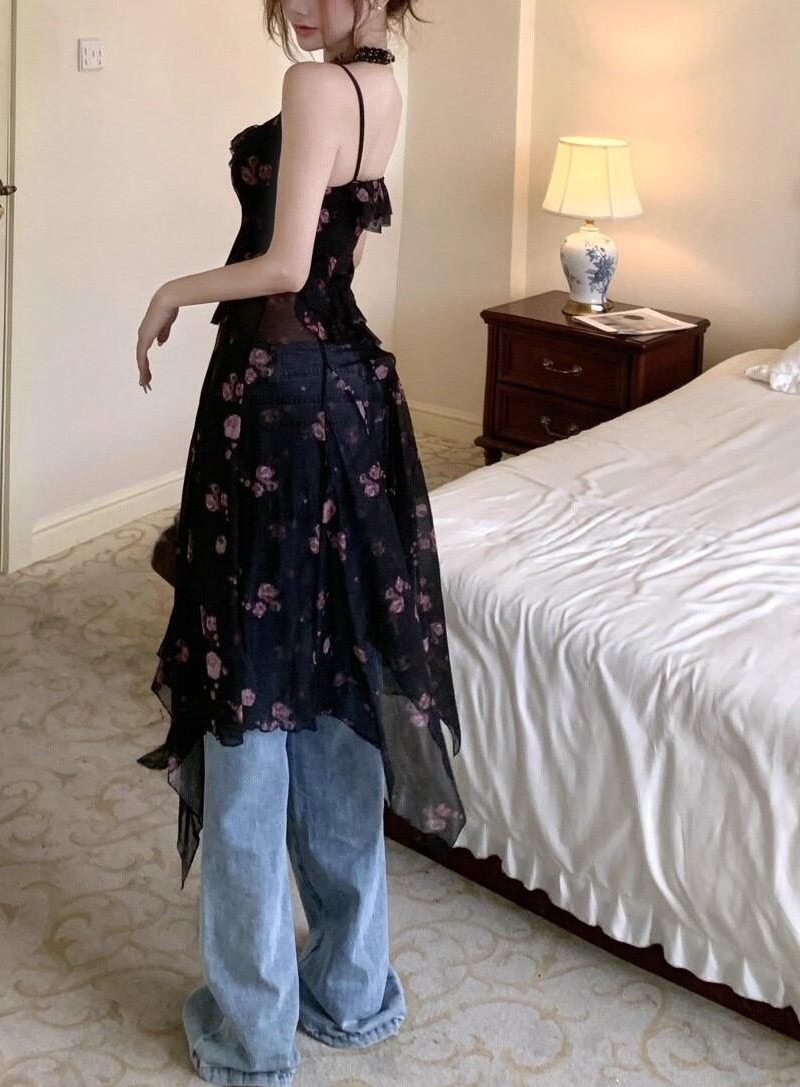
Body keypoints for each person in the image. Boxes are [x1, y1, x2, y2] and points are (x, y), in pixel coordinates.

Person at [134, 2, 466, 1083]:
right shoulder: (382, 85)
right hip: (351, 396)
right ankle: (352, 989)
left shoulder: (315, 85)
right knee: (329, 686)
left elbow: (283, 266)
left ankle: (253, 1035)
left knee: (248, 696)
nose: (302, 7)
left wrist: (174, 289)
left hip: (277, 401)